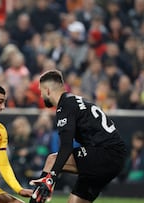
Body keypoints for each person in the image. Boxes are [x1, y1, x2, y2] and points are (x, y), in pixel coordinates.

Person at [29, 69, 127, 203]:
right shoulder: (77, 101)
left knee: (52, 160)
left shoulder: (65, 106)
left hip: (106, 154)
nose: (41, 95)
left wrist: (51, 178)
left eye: (41, 91)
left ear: (47, 90)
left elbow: (66, 146)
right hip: (111, 157)